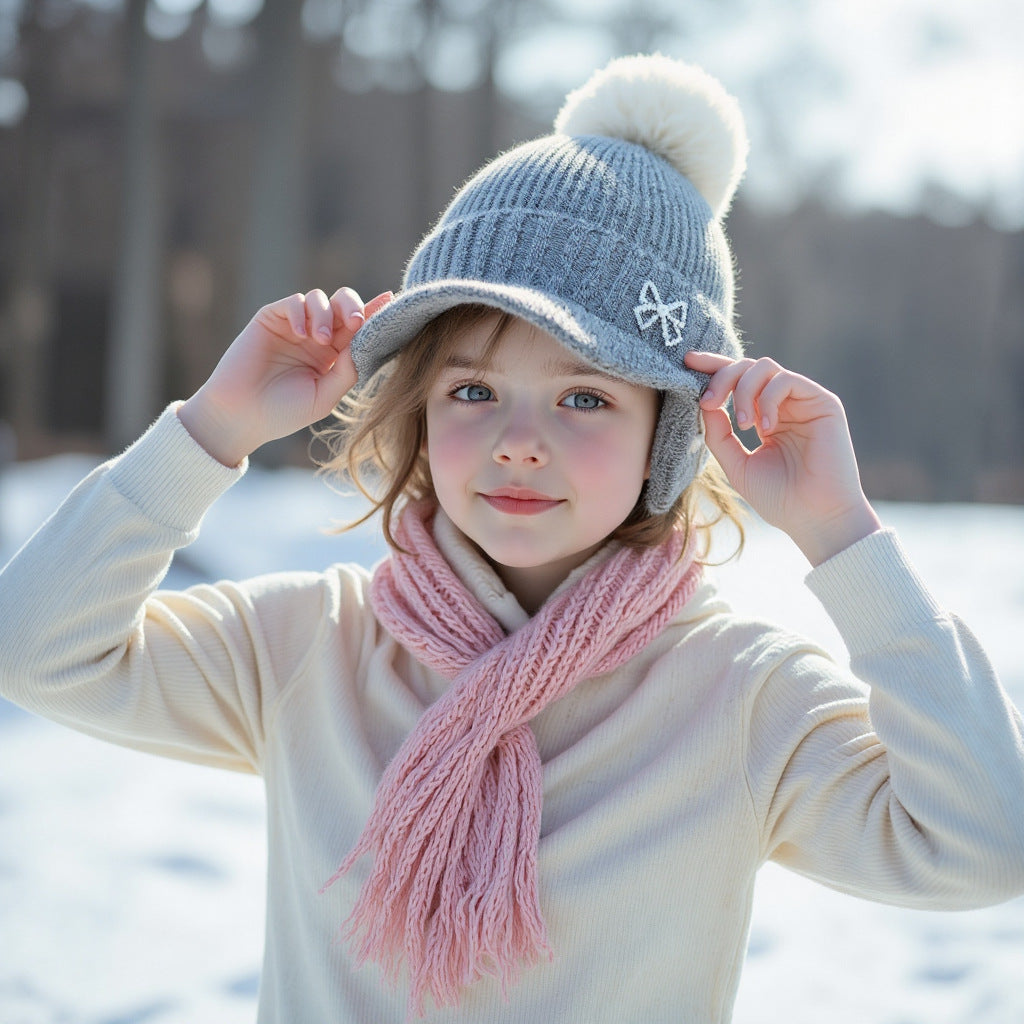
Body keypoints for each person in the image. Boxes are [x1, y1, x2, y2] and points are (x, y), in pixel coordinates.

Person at [1, 54, 1022, 1023]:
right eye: (474, 390)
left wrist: (841, 533)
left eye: (584, 396)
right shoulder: (314, 648)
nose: (518, 443)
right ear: (419, 411)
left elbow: (983, 841)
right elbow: (36, 647)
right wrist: (212, 428)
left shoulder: (738, 697)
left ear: (667, 435)